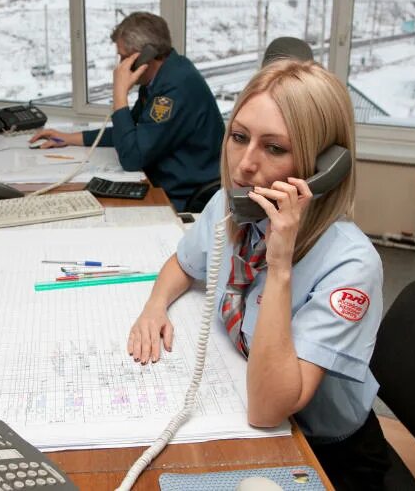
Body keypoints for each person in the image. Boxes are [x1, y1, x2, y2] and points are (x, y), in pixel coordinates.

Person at [126, 59, 390, 490]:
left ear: (324, 164)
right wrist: (155, 305)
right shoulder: (234, 204)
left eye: (274, 148)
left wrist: (280, 265)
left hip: (322, 450)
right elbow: (183, 264)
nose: (244, 165)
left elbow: (268, 410)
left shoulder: (349, 265)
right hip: (244, 408)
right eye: (239, 137)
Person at [29, 12, 224, 211]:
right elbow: (129, 133)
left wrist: (120, 93)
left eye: (123, 57)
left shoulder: (174, 88)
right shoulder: (162, 76)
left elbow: (132, 157)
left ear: (145, 55)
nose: (121, 66)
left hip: (181, 196)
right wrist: (69, 138)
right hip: (162, 181)